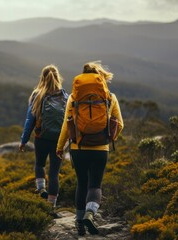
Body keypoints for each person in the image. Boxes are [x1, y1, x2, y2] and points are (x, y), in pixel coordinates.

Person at [56, 61, 124, 236]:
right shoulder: (110, 97)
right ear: (100, 77)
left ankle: (79, 224)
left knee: (82, 183)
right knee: (95, 185)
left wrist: (60, 147)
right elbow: (120, 124)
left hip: (78, 147)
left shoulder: (73, 98)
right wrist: (109, 138)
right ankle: (90, 213)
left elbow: (66, 125)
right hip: (100, 148)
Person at [19, 64, 67, 208]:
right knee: (54, 173)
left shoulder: (37, 94)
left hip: (41, 138)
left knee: (39, 165)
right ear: (58, 78)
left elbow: (30, 120)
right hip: (59, 140)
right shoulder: (65, 96)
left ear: (43, 77)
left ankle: (41, 189)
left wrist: (24, 140)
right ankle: (51, 205)